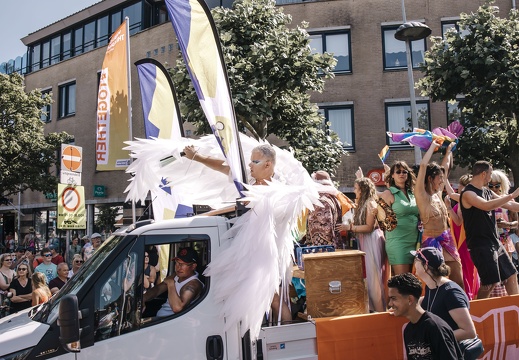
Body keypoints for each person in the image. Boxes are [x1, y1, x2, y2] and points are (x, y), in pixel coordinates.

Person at [184, 143, 292, 324]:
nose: (249, 166)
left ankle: (287, 338)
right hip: (245, 250)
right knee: (252, 296)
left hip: (265, 254)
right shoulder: (249, 180)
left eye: (254, 161)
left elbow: (258, 210)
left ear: (268, 165)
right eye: (250, 161)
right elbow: (226, 167)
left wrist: (213, 212)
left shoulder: (278, 190)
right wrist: (197, 157)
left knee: (272, 298)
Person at [460, 160, 519, 298]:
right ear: (484, 174)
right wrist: (511, 195)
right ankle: (476, 315)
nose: (491, 177)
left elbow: (509, 205)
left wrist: (511, 200)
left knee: (511, 276)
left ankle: (515, 310)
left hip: (494, 242)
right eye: (490, 173)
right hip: (479, 245)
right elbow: (486, 206)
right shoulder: (468, 193)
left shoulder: (486, 191)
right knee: (489, 284)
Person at [415, 141, 463, 289]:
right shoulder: (421, 195)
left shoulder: (438, 193)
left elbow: (446, 167)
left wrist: (448, 151)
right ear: (430, 178)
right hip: (430, 241)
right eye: (439, 178)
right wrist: (432, 146)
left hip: (446, 238)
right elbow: (423, 166)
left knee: (458, 277)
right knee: (435, 282)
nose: (442, 181)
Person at [338, 177, 387, 312]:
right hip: (366, 240)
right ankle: (374, 309)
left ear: (362, 190)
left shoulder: (370, 204)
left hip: (372, 241)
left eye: (356, 188)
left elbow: (369, 227)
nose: (354, 191)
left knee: (374, 279)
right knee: (369, 278)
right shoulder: (364, 203)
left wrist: (350, 228)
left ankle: (380, 312)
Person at [387, 273, 462, 359]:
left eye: (394, 298)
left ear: (410, 299)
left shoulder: (435, 327)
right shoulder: (408, 330)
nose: (390, 304)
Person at [412, 247, 476, 341]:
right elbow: (428, 299)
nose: (414, 263)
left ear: (425, 267)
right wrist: (406, 304)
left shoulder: (451, 293)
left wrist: (435, 338)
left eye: (416, 260)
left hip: (453, 352)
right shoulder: (431, 285)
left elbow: (469, 332)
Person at [379, 161, 420, 275]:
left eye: (404, 171)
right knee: (402, 281)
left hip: (416, 241)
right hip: (398, 242)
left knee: (415, 280)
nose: (401, 174)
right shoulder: (388, 194)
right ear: (392, 175)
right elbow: (381, 221)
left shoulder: (413, 193)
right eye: (398, 172)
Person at [445, 174, 480, 300]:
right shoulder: (469, 200)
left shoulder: (464, 200)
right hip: (463, 240)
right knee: (468, 270)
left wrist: (449, 207)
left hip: (462, 242)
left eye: (461, 184)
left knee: (465, 270)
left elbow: (459, 221)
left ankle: (467, 297)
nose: (458, 186)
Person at [144, 247, 203, 317]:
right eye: (177, 263)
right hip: (161, 318)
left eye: (182, 264)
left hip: (172, 322)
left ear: (193, 266)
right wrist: (143, 299)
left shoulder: (193, 285)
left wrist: (171, 284)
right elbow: (158, 289)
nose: (178, 267)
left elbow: (177, 308)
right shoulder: (177, 275)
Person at [306, 170, 348, 248]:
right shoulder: (333, 198)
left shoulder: (320, 201)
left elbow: (324, 230)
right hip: (335, 245)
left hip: (323, 249)